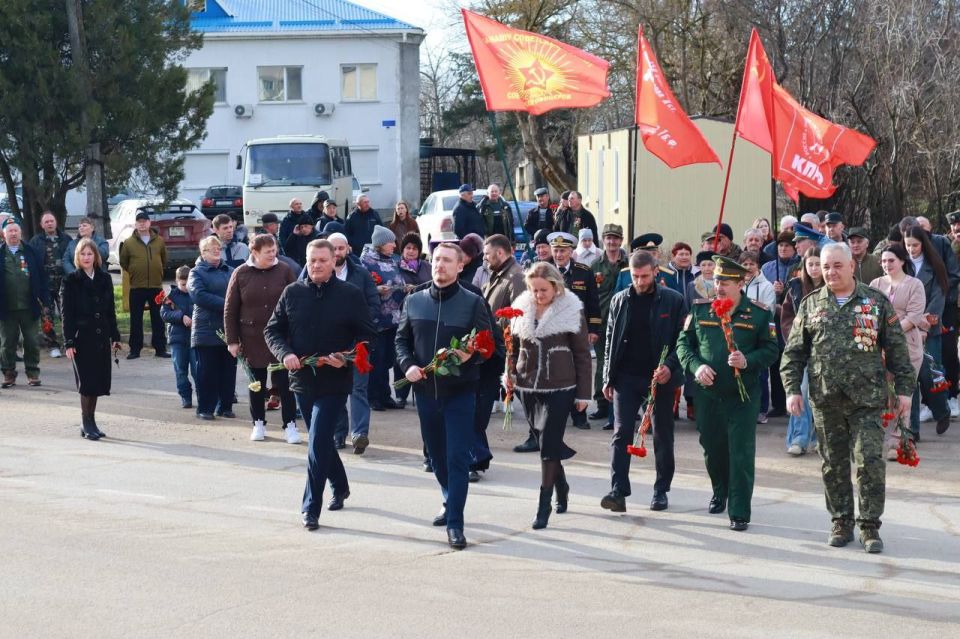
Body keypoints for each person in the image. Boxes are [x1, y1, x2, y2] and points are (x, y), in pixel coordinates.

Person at [781, 242, 915, 553]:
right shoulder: (811, 304)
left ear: (852, 266)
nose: (830, 272)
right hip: (825, 399)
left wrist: (905, 391)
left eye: (837, 266)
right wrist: (790, 390)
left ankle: (869, 526)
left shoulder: (876, 302)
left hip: (866, 400)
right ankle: (841, 520)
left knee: (869, 463)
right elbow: (794, 353)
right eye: (826, 267)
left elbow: (897, 351)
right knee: (833, 464)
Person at [265, 240, 376, 530]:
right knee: (321, 438)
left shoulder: (350, 295)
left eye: (323, 261)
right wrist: (285, 353)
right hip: (302, 380)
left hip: (335, 382)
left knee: (316, 441)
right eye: (312, 260)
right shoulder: (292, 293)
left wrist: (348, 357)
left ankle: (310, 508)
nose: (316, 265)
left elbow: (368, 336)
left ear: (334, 261)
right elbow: (273, 330)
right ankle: (340, 485)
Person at [395, 242, 492, 550]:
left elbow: (488, 347)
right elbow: (401, 341)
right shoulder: (415, 301)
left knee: (457, 457)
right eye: (437, 260)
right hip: (425, 392)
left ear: (460, 266)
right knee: (436, 456)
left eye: (448, 261)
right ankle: (450, 499)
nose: (440, 265)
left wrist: (470, 357)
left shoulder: (473, 302)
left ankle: (456, 524)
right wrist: (408, 365)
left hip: (461, 392)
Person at [676, 256, 779, 532]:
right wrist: (696, 368)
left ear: (740, 283)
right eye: (717, 280)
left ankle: (739, 509)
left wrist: (748, 361)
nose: (719, 286)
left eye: (726, 281)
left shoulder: (759, 314)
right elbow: (683, 345)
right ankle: (719, 490)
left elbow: (771, 350)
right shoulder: (700, 310)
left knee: (741, 452)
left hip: (742, 396)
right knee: (713, 449)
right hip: (708, 395)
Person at [506, 262, 591, 529]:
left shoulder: (572, 310)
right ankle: (561, 485)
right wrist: (509, 375)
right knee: (546, 444)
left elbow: (582, 354)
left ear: (555, 286)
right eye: (533, 290)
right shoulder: (522, 306)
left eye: (543, 290)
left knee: (550, 442)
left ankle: (543, 506)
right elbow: (512, 345)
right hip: (528, 384)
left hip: (561, 385)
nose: (538, 295)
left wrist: (584, 393)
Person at [601, 250, 686, 513]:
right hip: (626, 377)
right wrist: (607, 377)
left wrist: (669, 368)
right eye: (635, 276)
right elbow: (610, 341)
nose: (639, 281)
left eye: (645, 276)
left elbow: (684, 341)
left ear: (655, 272)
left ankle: (661, 490)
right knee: (621, 432)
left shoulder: (674, 301)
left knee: (662, 434)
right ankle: (618, 490)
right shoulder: (620, 300)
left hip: (660, 378)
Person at [224, 234, 300, 444]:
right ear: (254, 253)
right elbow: (230, 309)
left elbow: (296, 301)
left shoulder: (284, 270)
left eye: (274, 250)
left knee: (285, 384)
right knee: (256, 383)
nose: (273, 254)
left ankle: (290, 425)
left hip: (281, 337)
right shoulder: (241, 273)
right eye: (268, 252)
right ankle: (258, 422)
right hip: (251, 337)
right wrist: (232, 340)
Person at [59, 238, 122, 440]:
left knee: (97, 381)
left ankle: (91, 420)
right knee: (86, 382)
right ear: (77, 257)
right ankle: (86, 422)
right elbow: (66, 315)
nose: (86, 257)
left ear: (96, 256)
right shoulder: (70, 281)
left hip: (101, 336)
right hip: (81, 339)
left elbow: (110, 310)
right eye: (82, 254)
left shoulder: (104, 279)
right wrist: (68, 341)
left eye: (90, 254)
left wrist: (115, 336)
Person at [870, 244, 928, 456]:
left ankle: (900, 440)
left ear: (902, 261)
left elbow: (913, 317)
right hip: (881, 347)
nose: (886, 265)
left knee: (904, 392)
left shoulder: (915, 284)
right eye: (883, 261)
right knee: (886, 393)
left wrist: (889, 332)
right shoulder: (875, 284)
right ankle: (881, 436)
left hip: (908, 346)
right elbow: (869, 311)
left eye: (891, 261)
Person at [327, 233, 379, 453]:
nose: (337, 252)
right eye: (333, 248)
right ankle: (339, 433)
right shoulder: (316, 270)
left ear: (348, 248)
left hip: (358, 343)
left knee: (358, 389)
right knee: (336, 388)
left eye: (341, 248)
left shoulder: (361, 273)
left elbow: (374, 304)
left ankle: (359, 434)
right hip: (329, 343)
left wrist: (359, 324)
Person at [902, 225, 952, 435]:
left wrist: (925, 326)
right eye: (908, 245)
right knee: (909, 377)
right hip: (907, 326)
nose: (912, 249)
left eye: (915, 245)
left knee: (930, 373)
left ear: (923, 244)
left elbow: (939, 297)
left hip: (929, 327)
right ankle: (912, 429)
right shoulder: (903, 265)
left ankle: (942, 410)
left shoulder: (935, 265)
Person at [549, 231, 601, 430]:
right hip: (552, 332)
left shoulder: (583, 271)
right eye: (556, 250)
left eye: (563, 250)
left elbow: (592, 302)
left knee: (579, 369)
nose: (559, 255)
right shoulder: (544, 270)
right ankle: (557, 411)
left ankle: (579, 414)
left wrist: (593, 328)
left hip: (578, 330)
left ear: (571, 251)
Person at [188, 236, 236, 421]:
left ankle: (225, 406)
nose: (217, 250)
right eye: (211, 248)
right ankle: (205, 407)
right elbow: (198, 295)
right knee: (207, 371)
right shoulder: (196, 272)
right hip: (206, 329)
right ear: (203, 253)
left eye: (218, 247)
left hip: (228, 328)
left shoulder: (231, 271)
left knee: (228, 369)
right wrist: (227, 305)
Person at [780, 247, 822, 455]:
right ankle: (798, 437)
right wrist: (795, 340)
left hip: (824, 352)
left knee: (821, 395)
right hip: (801, 350)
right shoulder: (795, 288)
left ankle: (818, 437)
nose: (814, 268)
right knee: (800, 392)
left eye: (817, 264)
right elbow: (787, 319)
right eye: (810, 264)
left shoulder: (832, 288)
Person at [0, 220, 49, 388]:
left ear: (20, 233)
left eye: (16, 231)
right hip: (7, 309)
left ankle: (33, 373)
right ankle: (8, 374)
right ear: (3, 234)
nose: (13, 234)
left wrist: (45, 300)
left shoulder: (31, 252)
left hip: (29, 307)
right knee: (7, 344)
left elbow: (42, 278)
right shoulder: (1, 253)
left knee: (31, 342)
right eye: (10, 231)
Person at [361, 225, 405, 412]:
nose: (394, 245)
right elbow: (362, 287)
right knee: (377, 361)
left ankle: (385, 395)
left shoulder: (392, 260)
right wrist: (376, 290)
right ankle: (373, 397)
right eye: (391, 242)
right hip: (377, 321)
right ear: (380, 244)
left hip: (394, 319)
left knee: (387, 360)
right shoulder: (366, 262)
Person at [590, 224, 629, 425]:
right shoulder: (595, 266)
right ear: (603, 240)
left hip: (626, 322)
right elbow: (590, 298)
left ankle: (626, 403)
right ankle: (602, 404)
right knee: (603, 364)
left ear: (621, 240)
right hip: (603, 321)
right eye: (608, 238)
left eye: (615, 238)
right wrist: (592, 326)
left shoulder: (629, 264)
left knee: (625, 363)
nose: (612, 242)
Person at [119, 210, 168, 359]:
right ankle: (135, 349)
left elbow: (164, 259)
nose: (142, 223)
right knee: (136, 319)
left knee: (158, 318)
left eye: (144, 221)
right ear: (136, 224)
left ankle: (160, 348)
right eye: (139, 221)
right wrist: (135, 271)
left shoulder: (159, 241)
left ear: (149, 223)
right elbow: (124, 262)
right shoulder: (128, 242)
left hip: (155, 286)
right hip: (137, 287)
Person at [395, 232, 431, 412]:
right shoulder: (395, 266)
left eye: (414, 248)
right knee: (402, 355)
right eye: (408, 248)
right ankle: (401, 395)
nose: (410, 251)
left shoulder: (427, 266)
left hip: (424, 315)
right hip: (402, 315)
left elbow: (434, 285)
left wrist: (417, 289)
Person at [28, 211, 71, 358]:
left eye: (51, 221)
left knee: (68, 315)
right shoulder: (35, 241)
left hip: (64, 285)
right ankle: (52, 345)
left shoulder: (66, 239)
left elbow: (72, 258)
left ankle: (69, 344)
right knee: (47, 316)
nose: (49, 223)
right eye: (46, 222)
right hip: (45, 286)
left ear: (56, 222)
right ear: (41, 225)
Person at [160, 266, 197, 409]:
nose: (186, 287)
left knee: (197, 370)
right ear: (177, 281)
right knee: (180, 370)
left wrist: (196, 319)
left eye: (189, 284)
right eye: (183, 284)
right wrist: (181, 317)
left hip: (195, 339)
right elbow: (164, 314)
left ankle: (202, 395)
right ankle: (185, 396)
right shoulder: (171, 296)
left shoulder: (196, 294)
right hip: (178, 339)